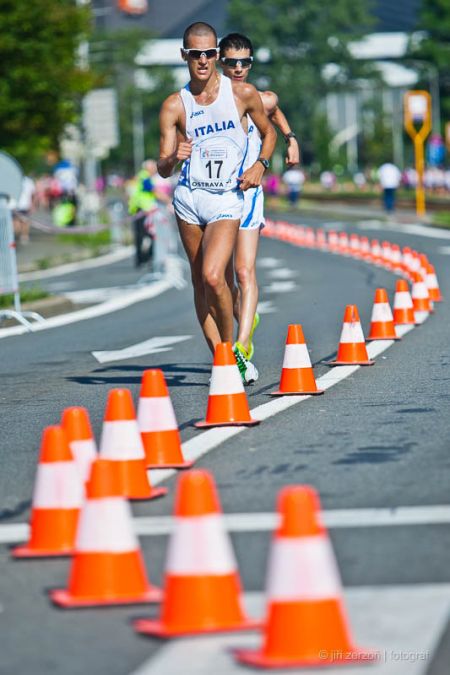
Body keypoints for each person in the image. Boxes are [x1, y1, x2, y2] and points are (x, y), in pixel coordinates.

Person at [157, 22, 276, 366]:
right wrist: (171, 158)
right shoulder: (174, 105)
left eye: (210, 53)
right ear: (185, 56)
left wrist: (260, 166)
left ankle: (235, 348)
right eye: (196, 54)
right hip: (189, 199)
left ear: (217, 54)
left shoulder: (241, 94)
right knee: (200, 281)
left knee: (214, 275)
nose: (204, 60)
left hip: (225, 198)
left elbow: (267, 134)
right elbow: (163, 168)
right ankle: (223, 359)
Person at [218, 32, 300, 382]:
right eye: (232, 61)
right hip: (215, 197)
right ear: (220, 61)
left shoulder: (261, 98)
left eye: (245, 62)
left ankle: (242, 348)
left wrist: (290, 140)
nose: (239, 68)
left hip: (249, 194)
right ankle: (243, 318)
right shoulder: (207, 99)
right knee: (218, 279)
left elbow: (275, 110)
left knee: (244, 271)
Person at [128, 159, 171, 267]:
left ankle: (143, 259)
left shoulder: (142, 176)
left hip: (141, 209)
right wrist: (169, 201)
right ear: (148, 168)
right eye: (154, 168)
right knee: (147, 234)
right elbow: (154, 192)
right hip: (143, 209)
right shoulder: (145, 177)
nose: (156, 170)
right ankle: (145, 258)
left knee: (143, 235)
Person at [13, 175, 36, 244]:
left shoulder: (28, 181)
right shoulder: (28, 181)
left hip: (22, 205)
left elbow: (33, 194)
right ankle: (23, 236)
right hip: (19, 205)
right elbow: (33, 194)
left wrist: (32, 205)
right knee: (21, 223)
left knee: (22, 222)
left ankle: (23, 236)